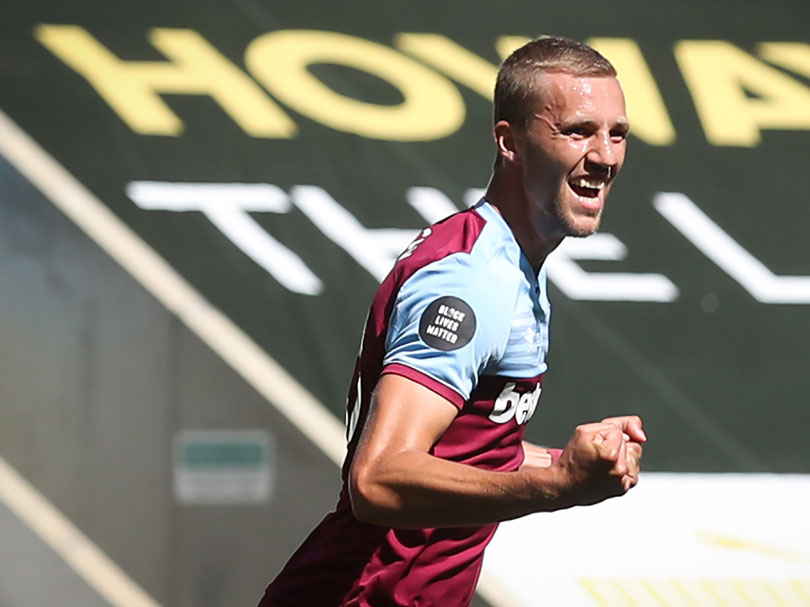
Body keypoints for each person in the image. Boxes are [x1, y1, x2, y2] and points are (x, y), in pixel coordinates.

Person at [258, 36, 646, 607]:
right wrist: (556, 486)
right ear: (509, 142)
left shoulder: (514, 267)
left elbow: (470, 449)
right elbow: (378, 478)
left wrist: (576, 463)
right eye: (578, 131)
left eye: (617, 134)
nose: (606, 155)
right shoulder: (468, 281)